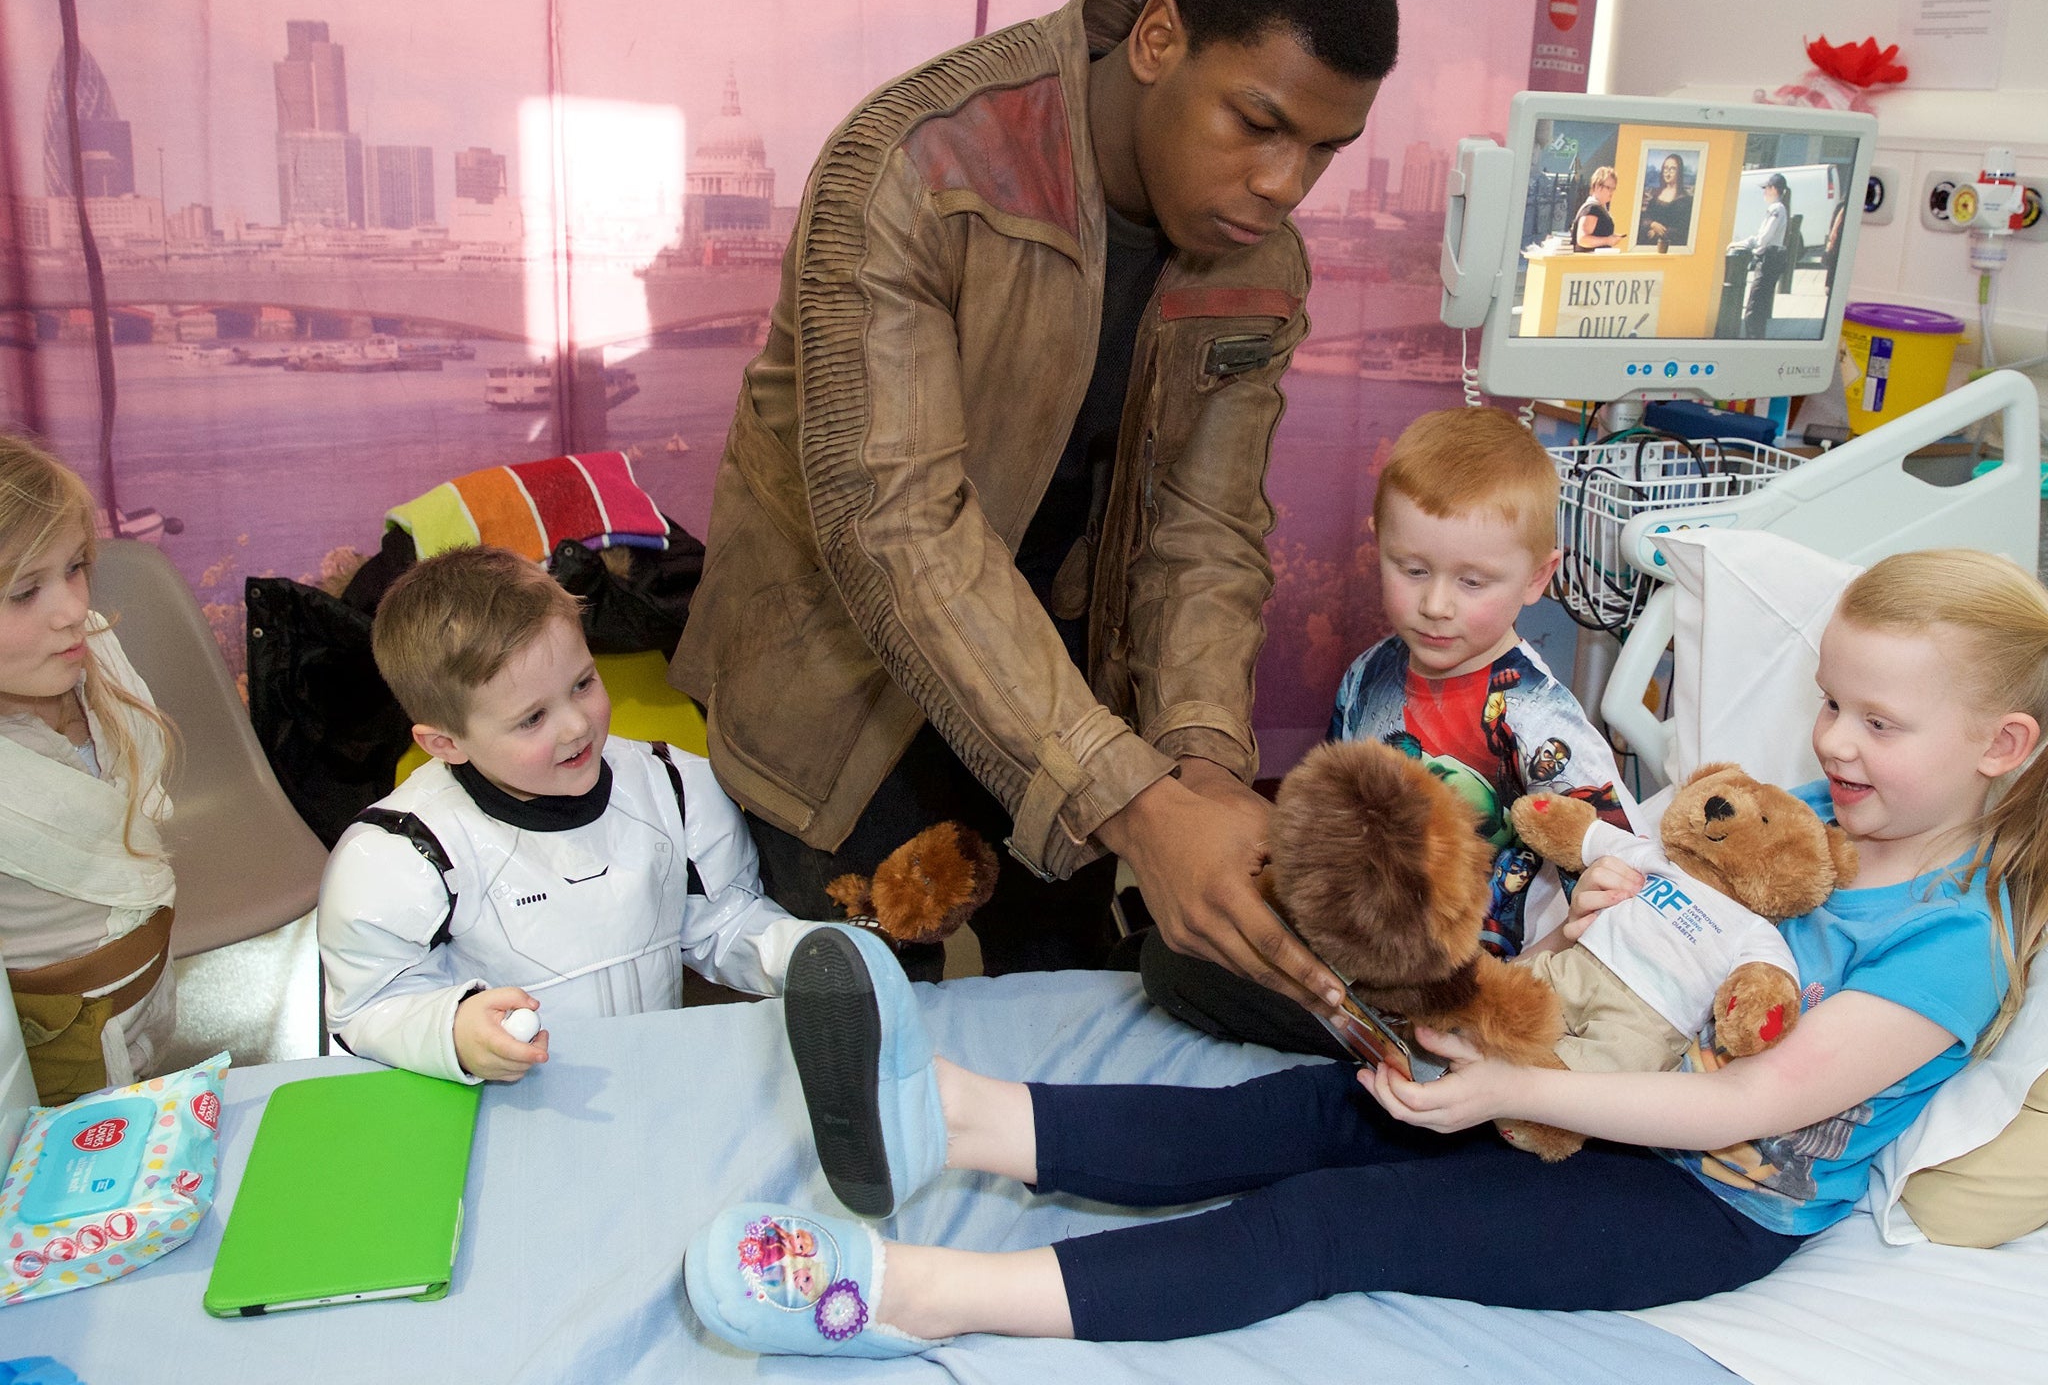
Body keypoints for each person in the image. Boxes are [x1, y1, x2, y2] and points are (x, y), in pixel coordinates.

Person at [684, 547, 2042, 1353]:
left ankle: (918, 1295)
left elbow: (1752, 1100)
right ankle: (954, 1119)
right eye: (1831, 707)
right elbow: (1673, 914)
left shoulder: (1950, 941)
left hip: (1692, 1204)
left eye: (1878, 724)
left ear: (2002, 748)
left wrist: (1508, 1089)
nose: (1833, 746)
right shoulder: (1803, 824)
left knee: (1334, 1219)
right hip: (1579, 1079)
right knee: (1321, 1105)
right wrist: (1592, 916)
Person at [670, 0, 1397, 1001]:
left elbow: (1203, 535)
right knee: (845, 1082)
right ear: (1157, 38)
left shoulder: (1260, 263)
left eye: (1323, 150)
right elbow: (898, 531)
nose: (1280, 184)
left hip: (1062, 710)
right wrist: (1137, 802)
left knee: (1053, 1057)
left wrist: (1199, 770)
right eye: (1256, 124)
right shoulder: (915, 166)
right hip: (840, 706)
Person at [1140, 408, 1627, 1057]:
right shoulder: (1369, 675)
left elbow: (1616, 881)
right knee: (1178, 939)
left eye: (1472, 582)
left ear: (1538, 576)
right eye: (1413, 569)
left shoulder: (1540, 724)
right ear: (1379, 541)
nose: (1435, 606)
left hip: (1470, 984)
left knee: (1171, 970)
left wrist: (1574, 925)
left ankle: (1411, 1049)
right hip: (1362, 943)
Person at [318, 547, 810, 1083]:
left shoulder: (672, 786)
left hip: (656, 1077)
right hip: (507, 1104)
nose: (577, 726)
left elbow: (722, 921)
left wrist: (801, 953)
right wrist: (454, 1032)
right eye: (532, 718)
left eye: (583, 683)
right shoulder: (399, 854)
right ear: (445, 743)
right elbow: (369, 1005)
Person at [0, 435, 177, 1106]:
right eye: (24, 592)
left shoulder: (91, 653)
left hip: (147, 987)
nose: (72, 608)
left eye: (75, 567)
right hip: (54, 1051)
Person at [1734, 171, 1791, 339]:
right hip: (1773, 259)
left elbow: (1765, 236)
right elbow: (1760, 236)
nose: (1764, 192)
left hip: (1768, 260)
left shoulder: (1776, 209)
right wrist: (1741, 243)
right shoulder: (1779, 208)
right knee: (1760, 305)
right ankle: (1756, 338)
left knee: (1754, 307)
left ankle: (1753, 340)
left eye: (1766, 188)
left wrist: (1756, 252)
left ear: (1773, 189)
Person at [1637, 152, 1695, 250]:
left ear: (1679, 172)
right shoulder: (1655, 194)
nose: (1668, 172)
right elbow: (1645, 217)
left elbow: (1682, 229)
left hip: (1669, 246)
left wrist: (1658, 232)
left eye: (1672, 169)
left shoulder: (1685, 200)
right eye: (1665, 168)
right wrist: (1652, 224)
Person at [1571, 165, 1621, 250]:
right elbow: (1583, 239)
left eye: (1613, 189)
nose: (1611, 192)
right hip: (1588, 261)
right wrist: (1608, 240)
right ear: (1597, 186)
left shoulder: (1599, 208)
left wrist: (1611, 237)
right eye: (1608, 188)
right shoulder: (1592, 209)